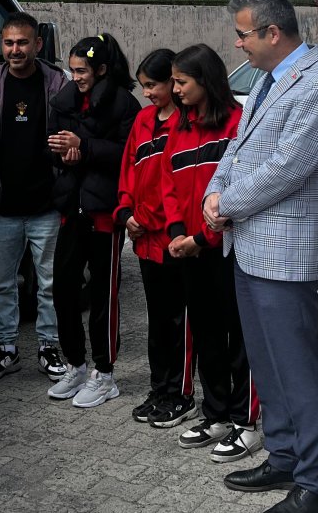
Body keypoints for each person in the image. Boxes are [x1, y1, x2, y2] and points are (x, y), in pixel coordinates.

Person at [203, 0, 318, 513]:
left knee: (297, 367)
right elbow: (238, 149)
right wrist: (214, 192)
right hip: (249, 247)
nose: (237, 44)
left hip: (285, 253)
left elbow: (287, 167)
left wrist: (226, 205)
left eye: (242, 34)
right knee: (267, 364)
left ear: (271, 32)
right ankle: (284, 455)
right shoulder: (269, 81)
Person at [162, 44, 261, 463]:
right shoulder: (179, 128)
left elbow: (240, 190)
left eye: (182, 82)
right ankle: (216, 412)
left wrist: (203, 238)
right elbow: (168, 183)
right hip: (190, 250)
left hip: (227, 249)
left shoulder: (239, 124)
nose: (175, 89)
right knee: (205, 335)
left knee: (240, 335)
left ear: (206, 81)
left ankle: (246, 419)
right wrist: (179, 233)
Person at [0, 11, 69, 383]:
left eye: (22, 42)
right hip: (3, 206)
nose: (15, 50)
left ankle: (48, 347)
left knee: (48, 283)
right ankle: (6, 349)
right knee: (3, 283)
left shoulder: (57, 83)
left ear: (38, 44)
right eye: (8, 42)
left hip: (45, 204)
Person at [45, 33, 141, 408]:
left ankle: (105, 373)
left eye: (82, 71)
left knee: (104, 296)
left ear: (101, 69)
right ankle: (76, 365)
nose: (76, 77)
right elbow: (53, 148)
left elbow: (128, 155)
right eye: (71, 71)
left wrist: (83, 148)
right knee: (63, 289)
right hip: (72, 210)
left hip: (104, 214)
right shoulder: (63, 101)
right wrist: (62, 156)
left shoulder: (124, 104)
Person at [115, 48, 187, 423]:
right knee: (156, 321)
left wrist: (147, 217)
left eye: (153, 85)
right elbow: (128, 167)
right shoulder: (143, 120)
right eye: (143, 86)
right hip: (142, 237)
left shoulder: (185, 123)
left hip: (171, 239)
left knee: (178, 321)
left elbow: (174, 184)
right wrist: (125, 212)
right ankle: (159, 388)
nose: (147, 94)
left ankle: (179, 392)